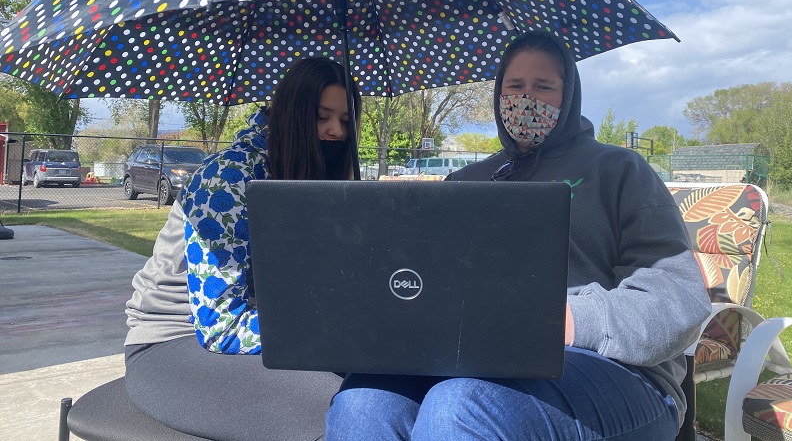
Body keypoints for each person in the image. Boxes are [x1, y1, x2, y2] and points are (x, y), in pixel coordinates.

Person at [324, 30, 711, 441]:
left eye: (544, 87)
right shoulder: (466, 181)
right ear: (498, 94)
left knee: (461, 407)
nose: (527, 100)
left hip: (617, 372)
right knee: (361, 401)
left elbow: (677, 299)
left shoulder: (621, 171)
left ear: (570, 94)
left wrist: (564, 321)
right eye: (515, 86)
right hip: (470, 360)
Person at [124, 56, 361, 441]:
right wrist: (334, 333)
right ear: (292, 115)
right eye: (321, 117)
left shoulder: (305, 172)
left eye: (346, 121)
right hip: (172, 342)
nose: (335, 130)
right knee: (349, 408)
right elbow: (221, 327)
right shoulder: (228, 182)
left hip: (263, 330)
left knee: (386, 393)